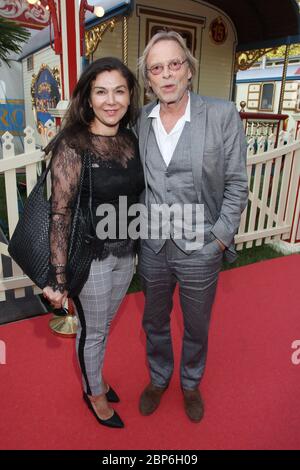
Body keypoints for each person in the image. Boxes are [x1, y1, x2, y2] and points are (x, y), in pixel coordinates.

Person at [137, 31, 248, 423]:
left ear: (189, 69)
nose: (166, 75)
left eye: (174, 64)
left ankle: (189, 382)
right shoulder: (140, 122)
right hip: (152, 247)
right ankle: (159, 376)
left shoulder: (221, 115)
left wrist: (219, 240)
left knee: (196, 325)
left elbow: (237, 184)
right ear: (148, 78)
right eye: (156, 68)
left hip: (202, 247)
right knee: (153, 320)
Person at [43, 57, 144, 429]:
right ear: (87, 97)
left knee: (103, 324)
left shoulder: (130, 137)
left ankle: (94, 375)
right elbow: (60, 212)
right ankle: (94, 393)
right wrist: (58, 276)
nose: (111, 100)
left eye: (119, 90)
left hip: (125, 250)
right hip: (91, 256)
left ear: (130, 95)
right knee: (94, 328)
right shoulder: (73, 144)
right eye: (101, 91)